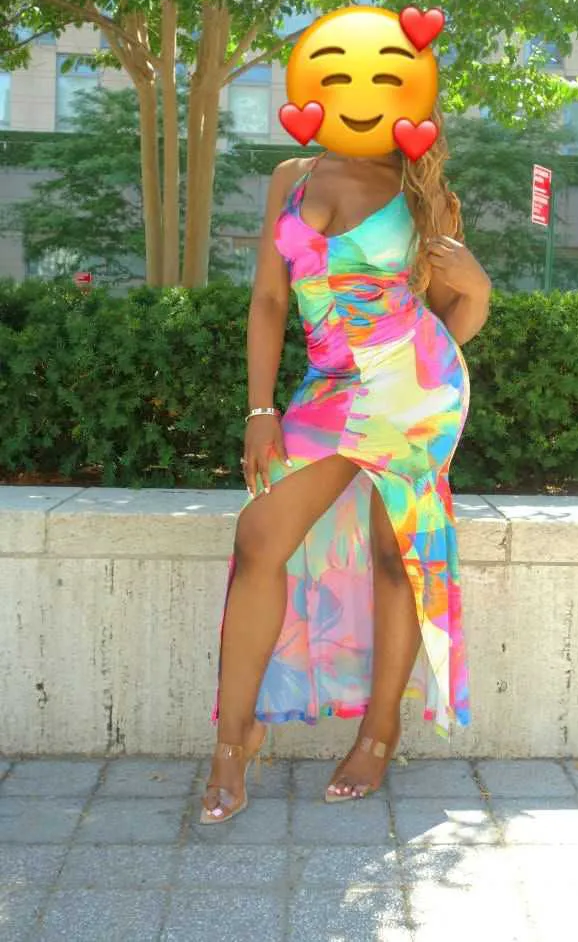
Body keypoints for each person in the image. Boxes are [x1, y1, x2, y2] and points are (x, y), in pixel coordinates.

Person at [200, 106, 492, 824]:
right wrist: (260, 408)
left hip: (411, 385)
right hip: (328, 386)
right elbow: (270, 298)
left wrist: (479, 287)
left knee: (398, 556)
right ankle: (234, 739)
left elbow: (450, 320)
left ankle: (378, 733)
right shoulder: (293, 176)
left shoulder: (423, 190)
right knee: (260, 538)